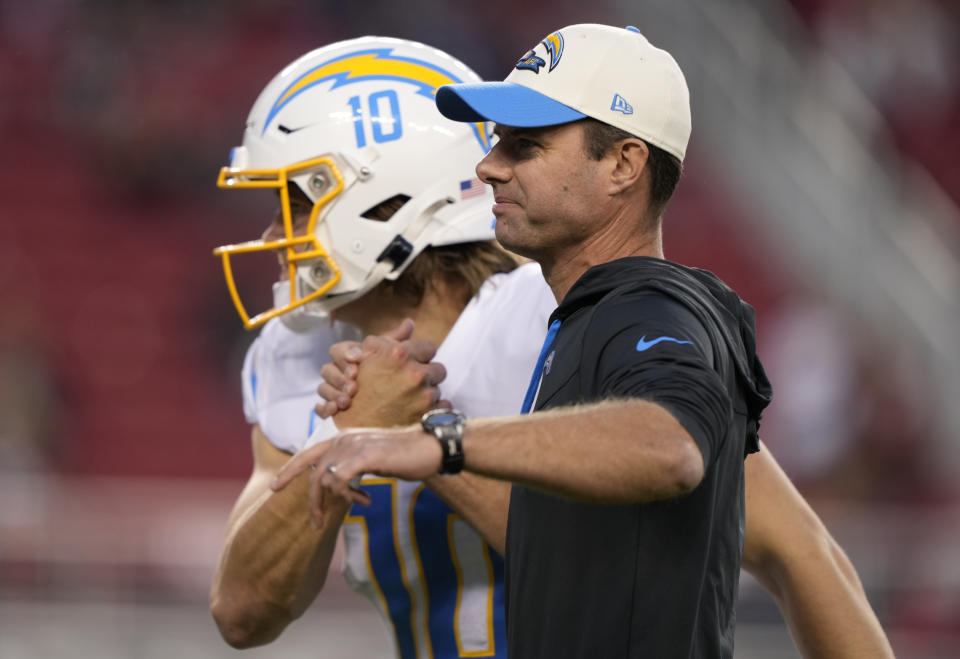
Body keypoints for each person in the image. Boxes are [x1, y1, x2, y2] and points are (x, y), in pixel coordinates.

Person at [211, 32, 893, 659]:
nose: (275, 231)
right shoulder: (296, 348)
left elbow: (784, 548)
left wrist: (425, 432)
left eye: (298, 201)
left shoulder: (559, 310)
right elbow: (244, 612)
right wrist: (346, 431)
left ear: (388, 195)